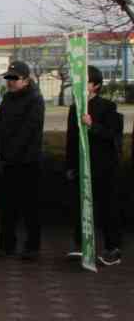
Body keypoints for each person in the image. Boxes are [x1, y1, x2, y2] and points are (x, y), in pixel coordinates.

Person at [65, 65, 123, 266]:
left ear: (96, 85)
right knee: (80, 207)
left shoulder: (108, 107)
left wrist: (92, 125)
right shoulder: (74, 108)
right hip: (80, 166)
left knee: (107, 208)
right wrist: (69, 166)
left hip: (104, 167)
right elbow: (71, 140)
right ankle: (81, 245)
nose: (80, 85)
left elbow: (113, 136)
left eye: (85, 81)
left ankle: (112, 249)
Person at [0, 61, 45, 261]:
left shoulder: (35, 99)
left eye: (14, 79)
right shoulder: (7, 98)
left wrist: (12, 153)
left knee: (31, 206)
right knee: (8, 206)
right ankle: (7, 245)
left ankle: (32, 247)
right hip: (8, 161)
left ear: (26, 79)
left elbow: (29, 130)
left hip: (28, 161)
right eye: (8, 78)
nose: (10, 82)